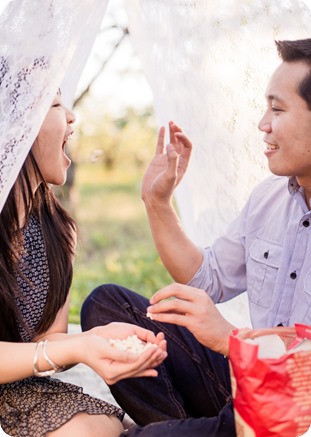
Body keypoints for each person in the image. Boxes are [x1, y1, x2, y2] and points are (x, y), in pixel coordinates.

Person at [80, 37, 311, 436]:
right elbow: (208, 276)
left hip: (298, 406)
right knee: (108, 306)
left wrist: (232, 340)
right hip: (250, 389)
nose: (263, 124)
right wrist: (158, 201)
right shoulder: (270, 198)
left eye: (277, 108)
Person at [0, 89, 168, 437]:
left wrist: (96, 340)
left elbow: (47, 341)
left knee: (104, 428)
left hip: (17, 389)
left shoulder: (58, 232)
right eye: (56, 103)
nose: (72, 117)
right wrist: (79, 345)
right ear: (16, 121)